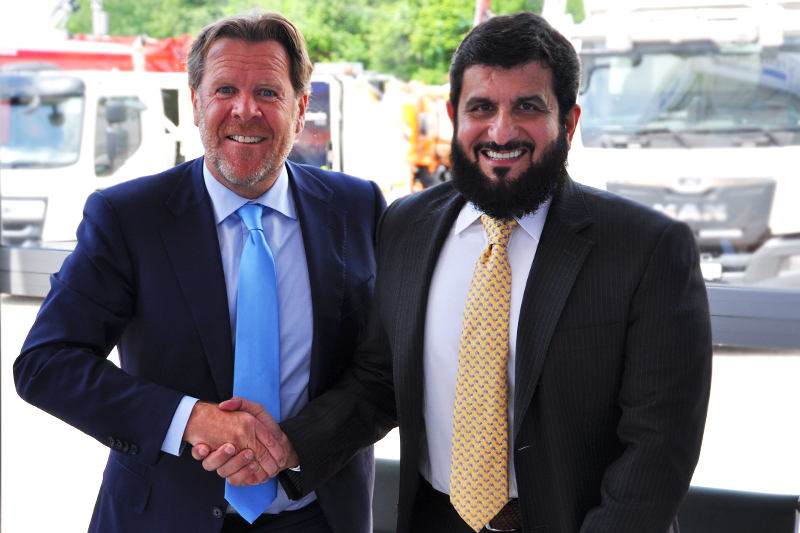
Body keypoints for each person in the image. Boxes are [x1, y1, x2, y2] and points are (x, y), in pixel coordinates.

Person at [199, 10, 713, 533]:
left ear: (569, 121)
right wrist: (290, 445)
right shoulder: (408, 224)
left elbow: (659, 445)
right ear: (454, 116)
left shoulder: (647, 249)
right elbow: (380, 379)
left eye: (528, 106)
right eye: (482, 107)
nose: (502, 130)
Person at [13, 11, 385, 533]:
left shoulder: (358, 206)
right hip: (164, 517)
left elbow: (382, 369)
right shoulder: (128, 217)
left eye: (268, 93)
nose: (245, 110)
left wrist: (297, 444)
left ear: (301, 108)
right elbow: (46, 364)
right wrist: (189, 419)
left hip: (319, 515)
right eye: (225, 89)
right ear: (194, 103)